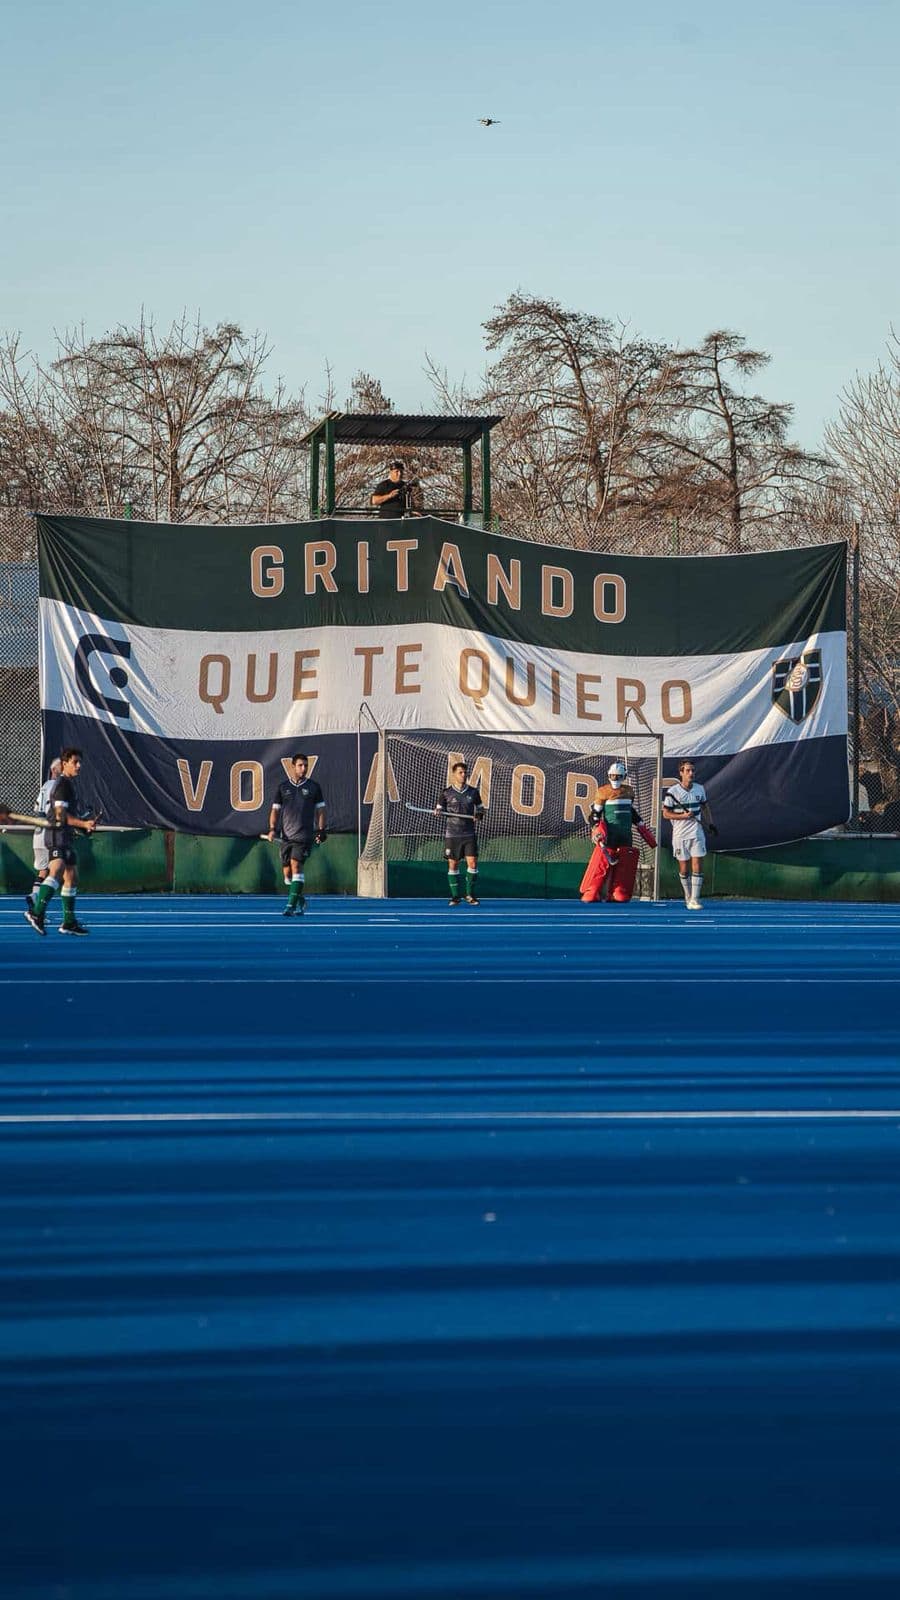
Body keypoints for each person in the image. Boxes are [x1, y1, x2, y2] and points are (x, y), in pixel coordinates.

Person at [25, 748, 96, 935]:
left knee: (72, 877)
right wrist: (83, 823)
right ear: (65, 764)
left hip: (64, 834)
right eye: (75, 762)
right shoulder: (62, 785)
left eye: (80, 762)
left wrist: (83, 827)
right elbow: (60, 815)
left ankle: (69, 922)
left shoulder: (69, 784)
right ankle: (36, 912)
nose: (79, 766)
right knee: (55, 872)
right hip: (56, 834)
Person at [580, 760, 656, 904]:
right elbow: (595, 814)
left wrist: (640, 824)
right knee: (604, 864)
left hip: (625, 834)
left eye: (618, 776)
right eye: (613, 776)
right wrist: (596, 827)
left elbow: (630, 811)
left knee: (623, 864)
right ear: (609, 776)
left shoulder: (628, 791)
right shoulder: (603, 791)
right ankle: (595, 890)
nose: (615, 779)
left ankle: (618, 890)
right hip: (610, 833)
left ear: (624, 776)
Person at [267, 753, 326, 916]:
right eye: (300, 765)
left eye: (305, 765)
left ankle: (290, 906)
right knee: (287, 875)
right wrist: (272, 828)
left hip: (304, 837)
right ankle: (299, 898)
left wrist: (321, 829)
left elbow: (321, 810)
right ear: (293, 767)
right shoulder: (283, 787)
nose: (304, 768)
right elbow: (275, 810)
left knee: (296, 865)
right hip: (286, 837)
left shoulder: (314, 787)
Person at [662, 759, 717, 909]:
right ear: (681, 773)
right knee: (684, 868)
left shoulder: (700, 789)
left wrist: (710, 823)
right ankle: (687, 895)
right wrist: (683, 816)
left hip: (697, 833)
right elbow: (666, 814)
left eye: (692, 770)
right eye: (687, 771)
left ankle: (695, 899)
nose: (691, 773)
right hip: (680, 835)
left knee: (698, 864)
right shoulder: (673, 792)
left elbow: (705, 807)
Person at [436, 760, 485, 906]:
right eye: (460, 773)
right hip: (453, 834)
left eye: (465, 773)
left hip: (469, 833)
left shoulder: (473, 792)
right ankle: (455, 897)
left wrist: (479, 815)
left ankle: (469, 895)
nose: (463, 775)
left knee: (473, 863)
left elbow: (481, 808)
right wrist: (438, 811)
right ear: (454, 775)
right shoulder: (446, 793)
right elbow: (439, 808)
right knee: (453, 864)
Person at [25, 756, 62, 916]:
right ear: (54, 770)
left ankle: (35, 906)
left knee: (43, 871)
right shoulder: (56, 786)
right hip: (49, 834)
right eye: (62, 766)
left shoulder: (45, 785)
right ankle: (36, 901)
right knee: (57, 871)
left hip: (38, 833)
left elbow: (37, 809)